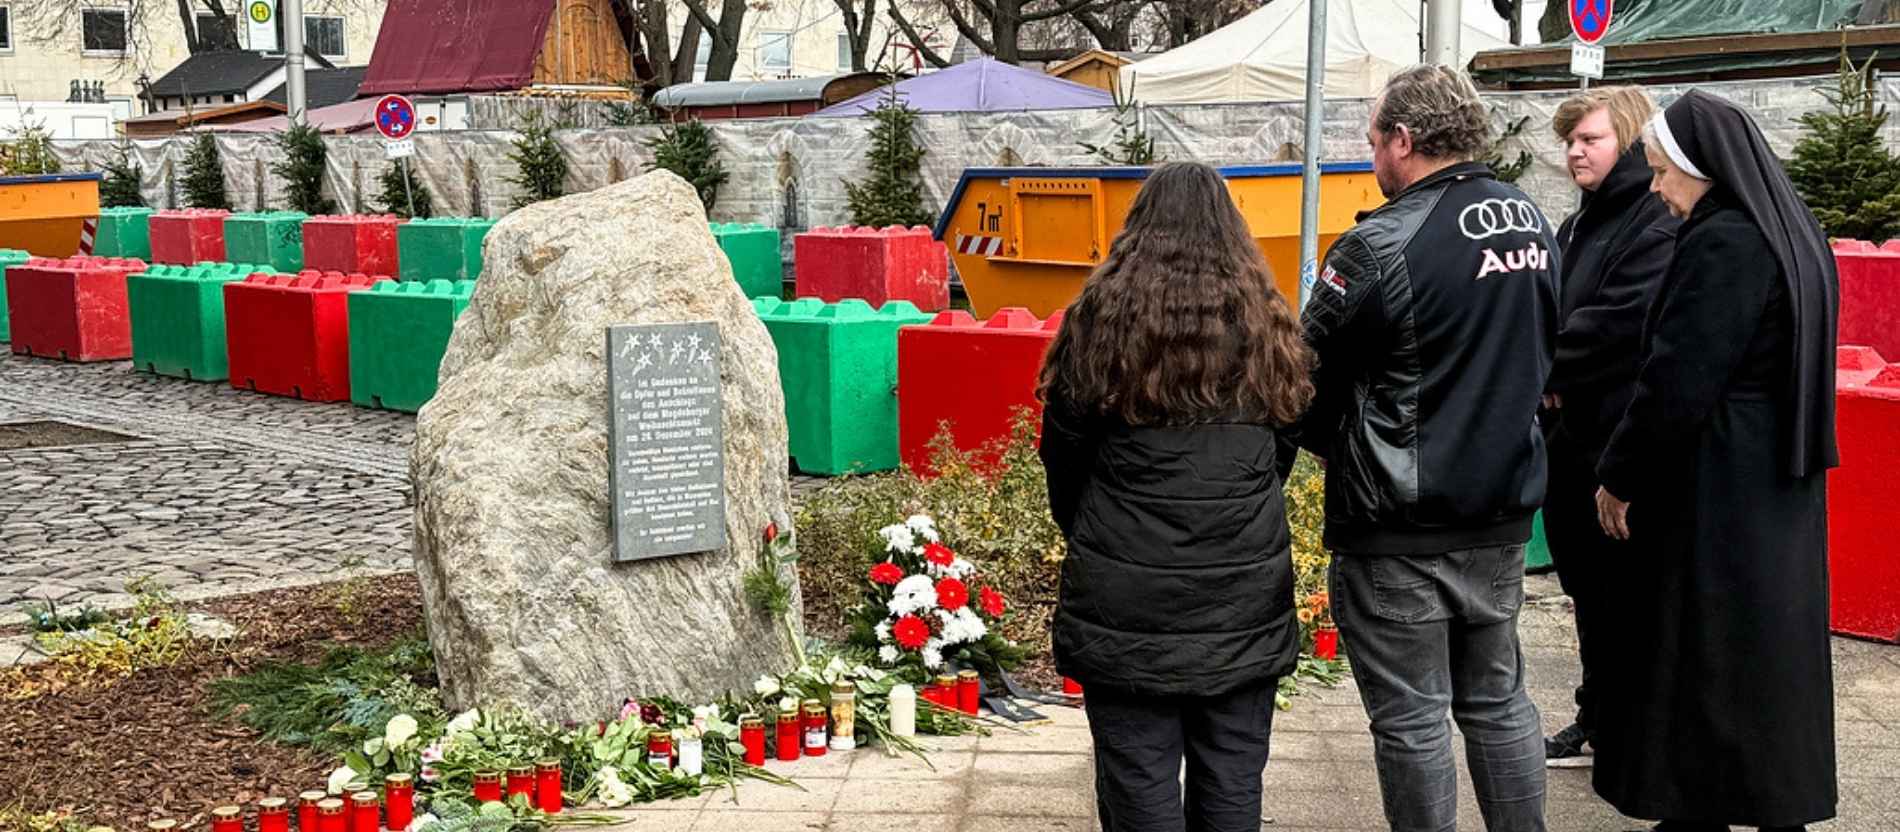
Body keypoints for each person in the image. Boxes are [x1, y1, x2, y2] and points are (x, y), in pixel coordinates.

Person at [1291, 64, 1557, 832]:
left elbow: (1301, 376)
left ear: (1403, 140)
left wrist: (1336, 447)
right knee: (1499, 699)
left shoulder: (1377, 244)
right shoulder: (1530, 221)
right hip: (1501, 509)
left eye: (1373, 138)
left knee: (1412, 718)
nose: (1371, 155)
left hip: (1400, 520)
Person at [1037, 161, 1315, 832]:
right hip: (1241, 593)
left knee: (1137, 781)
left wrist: (1099, 529)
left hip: (1125, 594)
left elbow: (1064, 453)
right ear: (1233, 231)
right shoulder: (1268, 323)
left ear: (1139, 227)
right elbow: (1282, 446)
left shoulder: (1099, 319)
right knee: (1233, 777)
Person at [1590, 89, 1839, 832]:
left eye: (1665, 173)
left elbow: (1679, 375)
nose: (1659, 190)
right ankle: (1765, 801)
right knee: (1765, 662)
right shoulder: (1789, 229)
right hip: (1771, 485)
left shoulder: (1725, 239)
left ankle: (1698, 803)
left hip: (1718, 487)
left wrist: (1619, 472)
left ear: (1702, 168)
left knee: (1706, 661)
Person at [1539, 86, 1681, 768]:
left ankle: (1629, 729)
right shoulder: (1576, 224)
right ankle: (1600, 719)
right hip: (1570, 440)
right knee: (1589, 596)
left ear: (1625, 140)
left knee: (1623, 599)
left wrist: (1540, 365)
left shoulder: (1654, 220)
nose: (1573, 152)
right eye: (1569, 141)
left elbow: (1618, 325)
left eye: (1588, 139)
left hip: (1616, 440)